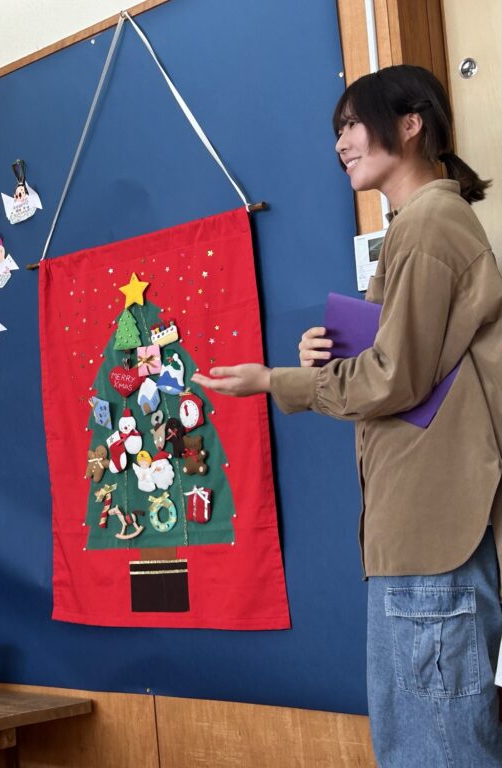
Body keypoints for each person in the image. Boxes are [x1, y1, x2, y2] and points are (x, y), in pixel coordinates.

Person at [192, 65, 502, 765]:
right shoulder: (418, 227)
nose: (341, 143)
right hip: (421, 529)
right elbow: (411, 363)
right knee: (418, 740)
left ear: (411, 123)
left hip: (433, 529)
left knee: (435, 747)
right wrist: (329, 356)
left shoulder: (429, 225)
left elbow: (395, 377)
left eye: (354, 124)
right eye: (338, 130)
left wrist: (280, 380)